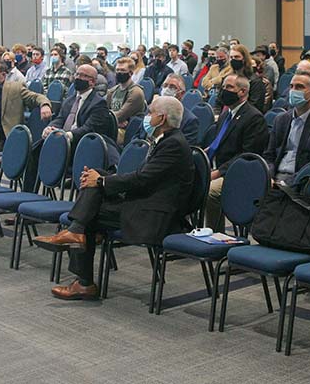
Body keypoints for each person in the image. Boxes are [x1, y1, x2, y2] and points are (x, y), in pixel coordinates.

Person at [35, 96, 194, 300]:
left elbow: (143, 179)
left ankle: (83, 279)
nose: (146, 117)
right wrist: (100, 178)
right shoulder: (166, 140)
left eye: (150, 113)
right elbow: (143, 179)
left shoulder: (173, 145)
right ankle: (76, 237)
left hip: (155, 216)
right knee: (96, 182)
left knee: (88, 218)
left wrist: (101, 181)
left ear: (161, 118)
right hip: (144, 202)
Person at [203, 74, 270, 231]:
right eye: (224, 86)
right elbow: (217, 143)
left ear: (242, 91)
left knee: (210, 191)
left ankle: (215, 234)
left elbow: (246, 156)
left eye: (229, 87)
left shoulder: (254, 118)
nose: (224, 91)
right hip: (216, 164)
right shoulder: (226, 114)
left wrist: (218, 172)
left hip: (237, 171)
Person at [262, 72, 310, 184]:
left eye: (299, 87)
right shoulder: (281, 119)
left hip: (300, 182)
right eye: (291, 86)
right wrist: (269, 177)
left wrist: (287, 183)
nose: (293, 90)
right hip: (274, 178)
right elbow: (269, 156)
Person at [42, 64, 112, 147]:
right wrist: (50, 128)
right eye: (77, 74)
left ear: (92, 82)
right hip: (61, 141)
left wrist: (66, 135)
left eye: (83, 75)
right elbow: (60, 119)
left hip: (82, 144)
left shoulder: (99, 103)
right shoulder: (69, 100)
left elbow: (89, 129)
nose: (78, 78)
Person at [107, 57, 147, 143]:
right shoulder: (112, 91)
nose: (119, 73)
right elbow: (104, 112)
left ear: (130, 73)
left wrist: (112, 120)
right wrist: (115, 121)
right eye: (117, 70)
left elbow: (120, 115)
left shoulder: (136, 92)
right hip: (114, 126)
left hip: (128, 133)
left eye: (122, 70)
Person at [156, 73, 200, 145]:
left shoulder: (190, 121)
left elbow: (181, 150)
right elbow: (139, 136)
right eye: (165, 85)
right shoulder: (152, 110)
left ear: (182, 94)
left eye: (172, 87)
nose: (166, 89)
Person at [228, 45, 267, 113]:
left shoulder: (255, 81)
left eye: (237, 57)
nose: (233, 59)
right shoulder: (228, 78)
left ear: (244, 59)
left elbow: (255, 105)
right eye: (231, 57)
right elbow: (219, 101)